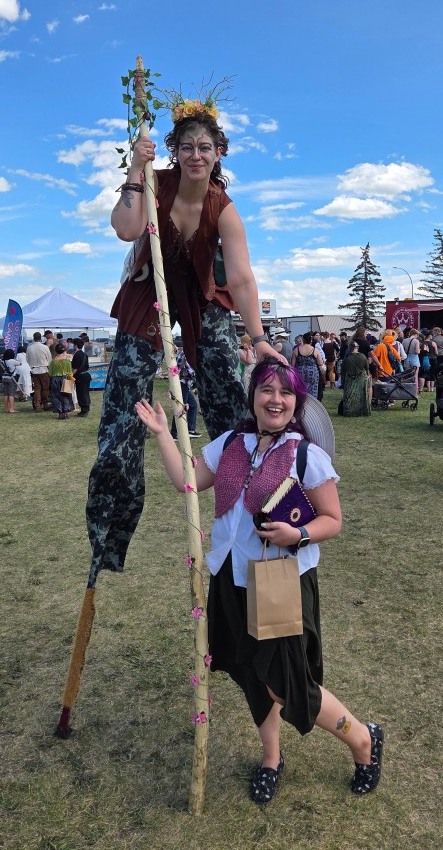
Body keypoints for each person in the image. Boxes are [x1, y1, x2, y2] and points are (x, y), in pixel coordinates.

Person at [136, 358, 384, 804]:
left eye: (285, 393)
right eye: (267, 389)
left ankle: (363, 738)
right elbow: (186, 482)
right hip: (229, 579)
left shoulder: (306, 455)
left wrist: (298, 534)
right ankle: (271, 758)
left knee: (286, 684)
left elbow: (332, 519)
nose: (276, 400)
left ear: (297, 402)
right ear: (253, 396)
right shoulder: (232, 442)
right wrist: (161, 435)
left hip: (280, 582)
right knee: (251, 674)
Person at [85, 100, 285, 586]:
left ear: (219, 153)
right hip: (147, 294)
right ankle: (108, 537)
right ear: (174, 151)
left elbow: (241, 279)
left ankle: (251, 515)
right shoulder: (156, 184)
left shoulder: (224, 210)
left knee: (231, 404)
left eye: (206, 147)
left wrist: (258, 338)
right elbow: (126, 229)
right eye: (188, 147)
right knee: (122, 416)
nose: (197, 155)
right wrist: (135, 169)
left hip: (201, 299)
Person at [170, 347, 200, 438]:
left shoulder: (184, 351)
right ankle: (174, 433)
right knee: (180, 409)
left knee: (193, 405)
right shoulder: (188, 353)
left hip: (183, 384)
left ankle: (190, 429)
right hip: (182, 384)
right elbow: (191, 371)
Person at [338, 342, 371, 416]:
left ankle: (349, 412)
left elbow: (343, 372)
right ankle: (362, 411)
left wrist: (343, 383)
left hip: (350, 379)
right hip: (361, 379)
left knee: (349, 396)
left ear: (350, 348)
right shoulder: (363, 357)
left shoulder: (347, 358)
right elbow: (367, 368)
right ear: (357, 347)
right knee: (362, 396)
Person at [291, 332, 325, 399]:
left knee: (300, 389)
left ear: (303, 340)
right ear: (311, 340)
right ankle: (311, 404)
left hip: (300, 372)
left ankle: (301, 403)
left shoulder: (296, 350)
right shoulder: (315, 350)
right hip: (313, 373)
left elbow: (292, 364)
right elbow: (320, 363)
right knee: (313, 390)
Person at [49, 342, 75, 421]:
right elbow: (70, 372)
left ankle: (60, 413)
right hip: (65, 379)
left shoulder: (53, 362)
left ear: (56, 351)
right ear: (63, 350)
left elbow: (50, 373)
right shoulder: (67, 361)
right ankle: (66, 412)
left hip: (55, 380)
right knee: (66, 395)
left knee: (56, 396)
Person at [27, 331, 52, 412]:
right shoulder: (45, 347)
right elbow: (49, 359)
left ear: (34, 338)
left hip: (34, 370)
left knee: (37, 389)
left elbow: (27, 360)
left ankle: (37, 406)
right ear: (40, 338)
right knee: (45, 388)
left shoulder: (29, 348)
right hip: (44, 369)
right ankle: (45, 404)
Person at [70, 338, 92, 416]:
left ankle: (84, 410)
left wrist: (71, 376)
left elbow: (75, 368)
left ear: (76, 345)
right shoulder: (85, 354)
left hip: (80, 377)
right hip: (86, 375)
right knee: (85, 392)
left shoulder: (76, 355)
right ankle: (86, 408)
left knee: (81, 393)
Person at [0, 349, 20, 414]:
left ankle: (6, 408)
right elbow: (20, 363)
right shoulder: (12, 361)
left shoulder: (2, 361)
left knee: (6, 394)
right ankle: (11, 409)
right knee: (11, 394)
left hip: (4, 377)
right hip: (11, 378)